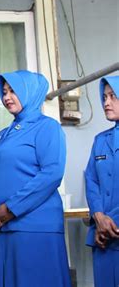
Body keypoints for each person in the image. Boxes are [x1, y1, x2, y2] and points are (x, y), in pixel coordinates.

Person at [0, 70, 71, 286]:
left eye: (13, 91)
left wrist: (11, 207)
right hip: (1, 227)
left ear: (30, 91)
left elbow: (52, 174)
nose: (7, 97)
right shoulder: (3, 134)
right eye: (4, 92)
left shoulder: (47, 127)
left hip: (34, 227)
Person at [84, 75, 119, 286]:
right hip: (103, 237)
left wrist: (110, 223)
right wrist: (98, 217)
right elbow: (91, 180)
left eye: (113, 96)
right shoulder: (100, 140)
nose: (106, 102)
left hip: (110, 230)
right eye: (104, 96)